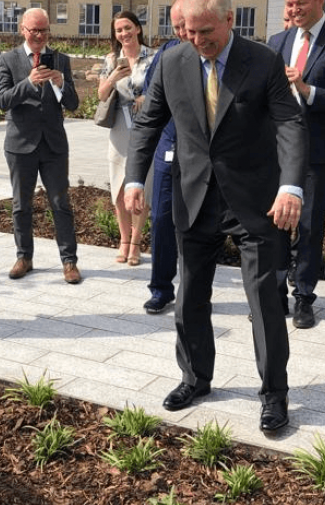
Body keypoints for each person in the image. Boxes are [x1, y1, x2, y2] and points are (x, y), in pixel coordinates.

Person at [125, 0, 308, 431]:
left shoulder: (262, 60)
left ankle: (274, 395)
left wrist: (290, 186)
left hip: (254, 201)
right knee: (189, 297)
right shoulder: (172, 60)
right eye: (190, 31)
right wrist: (135, 179)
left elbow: (289, 123)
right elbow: (148, 122)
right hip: (195, 198)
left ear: (230, 20)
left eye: (206, 31)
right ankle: (195, 378)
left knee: (264, 302)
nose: (198, 40)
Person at [268, 0, 325, 329]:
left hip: (320, 150)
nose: (294, 8)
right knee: (276, 221)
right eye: (289, 2)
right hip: (279, 147)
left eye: (301, 2)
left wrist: (306, 89)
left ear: (320, 1)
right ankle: (275, 293)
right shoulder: (277, 42)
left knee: (308, 225)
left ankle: (304, 298)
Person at [0, 8, 81, 284]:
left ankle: (69, 262)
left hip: (53, 145)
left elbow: (73, 104)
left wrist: (61, 83)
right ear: (23, 29)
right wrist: (28, 82)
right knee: (21, 205)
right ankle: (24, 257)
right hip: (20, 144)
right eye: (34, 30)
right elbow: (2, 100)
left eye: (44, 30)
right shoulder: (7, 60)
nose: (39, 36)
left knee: (60, 204)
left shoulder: (60, 60)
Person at [140, 0, 186, 314]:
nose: (183, 32)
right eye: (177, 26)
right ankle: (161, 288)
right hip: (169, 145)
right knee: (161, 218)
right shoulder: (167, 53)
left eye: (187, 24)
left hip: (211, 152)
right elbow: (150, 98)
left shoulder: (221, 52)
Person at [98, 11, 154, 267]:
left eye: (128, 28)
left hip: (145, 128)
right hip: (120, 128)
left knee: (141, 186)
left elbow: (161, 89)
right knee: (119, 189)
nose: (124, 34)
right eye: (119, 30)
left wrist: (147, 99)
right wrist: (112, 77)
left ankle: (136, 242)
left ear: (138, 29)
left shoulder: (153, 57)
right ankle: (123, 239)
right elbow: (101, 94)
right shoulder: (111, 59)